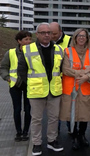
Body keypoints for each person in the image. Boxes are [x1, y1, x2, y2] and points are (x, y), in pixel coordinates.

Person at [17, 23, 64, 155]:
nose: (46, 35)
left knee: (54, 117)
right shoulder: (27, 49)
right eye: (43, 32)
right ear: (37, 34)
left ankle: (51, 141)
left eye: (49, 32)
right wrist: (31, 83)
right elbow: (21, 70)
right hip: (36, 91)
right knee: (36, 119)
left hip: (54, 90)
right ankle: (37, 144)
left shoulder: (59, 49)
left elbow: (61, 69)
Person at [60, 28, 90, 150]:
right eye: (79, 36)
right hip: (71, 90)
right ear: (75, 38)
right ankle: (74, 136)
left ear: (87, 38)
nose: (81, 38)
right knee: (72, 114)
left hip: (86, 89)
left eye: (84, 36)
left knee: (84, 115)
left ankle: (82, 135)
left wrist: (87, 77)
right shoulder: (67, 51)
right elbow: (65, 69)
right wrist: (83, 72)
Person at [0, 30, 32, 142]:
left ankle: (26, 131)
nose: (29, 41)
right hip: (15, 84)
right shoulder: (11, 53)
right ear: (19, 41)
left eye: (30, 39)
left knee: (28, 109)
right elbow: (3, 67)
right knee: (17, 109)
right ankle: (18, 132)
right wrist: (7, 77)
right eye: (26, 39)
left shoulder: (34, 52)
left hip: (30, 84)